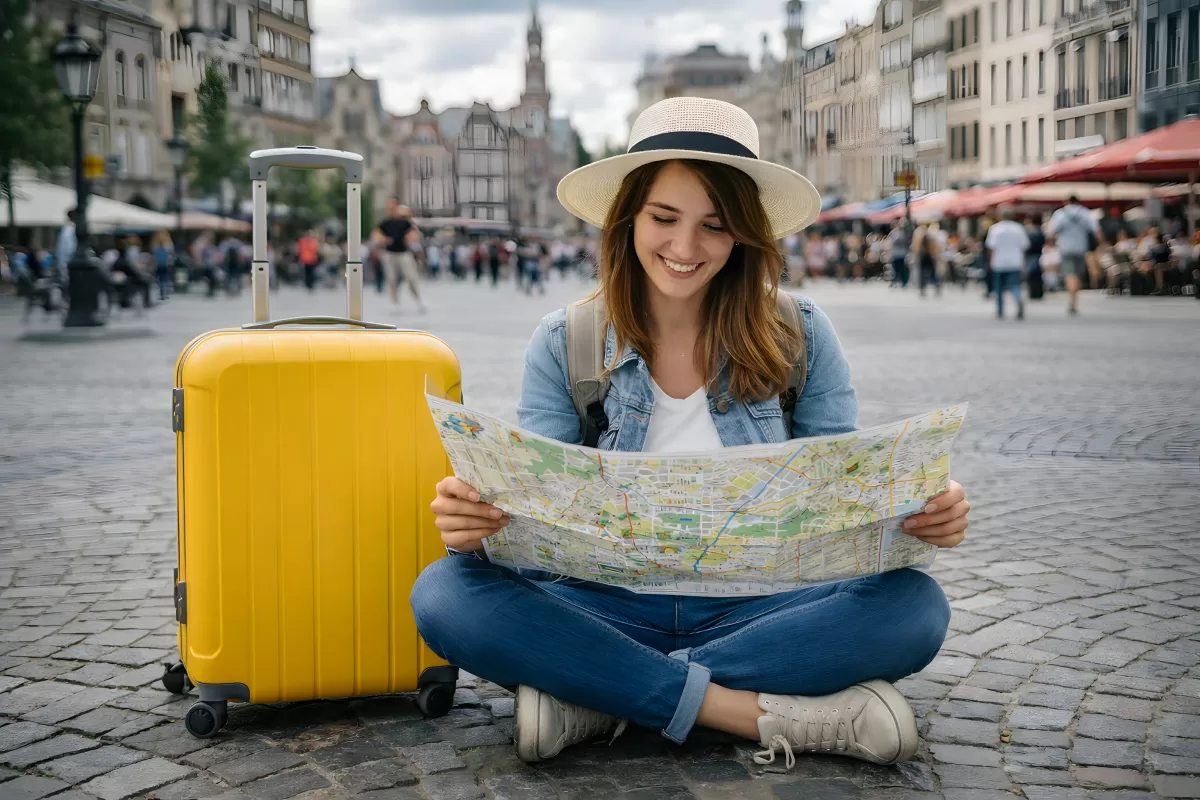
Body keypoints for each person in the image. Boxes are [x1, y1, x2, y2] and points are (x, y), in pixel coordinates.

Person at [411, 97, 970, 770]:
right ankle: (753, 712)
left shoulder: (802, 334)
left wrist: (918, 514)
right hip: (602, 606)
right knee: (444, 593)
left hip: (765, 610)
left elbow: (840, 512)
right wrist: (477, 520)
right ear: (629, 220)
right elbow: (530, 534)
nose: (683, 247)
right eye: (664, 218)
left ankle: (597, 694)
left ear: (743, 234)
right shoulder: (566, 341)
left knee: (915, 607)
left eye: (713, 225)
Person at [1047, 194, 1100, 315]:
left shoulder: (1060, 214)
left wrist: (1050, 243)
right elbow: (1095, 230)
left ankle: (1072, 300)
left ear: (1066, 202)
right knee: (1077, 274)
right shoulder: (1084, 212)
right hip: (1081, 248)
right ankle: (1074, 301)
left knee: (1070, 274)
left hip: (1065, 248)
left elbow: (1052, 232)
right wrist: (1101, 244)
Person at [372, 198, 426, 312]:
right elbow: (376, 234)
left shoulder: (405, 221)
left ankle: (418, 300)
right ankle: (394, 302)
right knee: (391, 278)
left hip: (404, 253)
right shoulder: (385, 222)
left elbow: (414, 232)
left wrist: (409, 238)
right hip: (389, 253)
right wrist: (384, 240)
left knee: (411, 277)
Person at [984, 206, 1029, 320]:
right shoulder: (1018, 228)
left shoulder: (995, 229)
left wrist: (989, 262)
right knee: (1015, 285)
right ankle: (1018, 299)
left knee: (998, 287)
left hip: (999, 262)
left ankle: (1000, 310)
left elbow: (990, 247)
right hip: (1015, 261)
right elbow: (1025, 246)